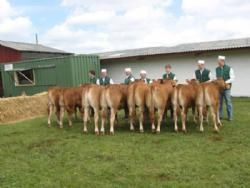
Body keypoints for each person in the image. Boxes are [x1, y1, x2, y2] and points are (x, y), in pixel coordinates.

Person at [216, 55, 235, 121]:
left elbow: (232, 78)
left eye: (218, 61)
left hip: (227, 88)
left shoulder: (229, 68)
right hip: (219, 89)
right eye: (218, 61)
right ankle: (220, 116)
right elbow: (218, 78)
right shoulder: (217, 69)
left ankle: (230, 117)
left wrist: (224, 82)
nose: (217, 62)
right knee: (219, 102)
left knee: (228, 102)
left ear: (222, 61)